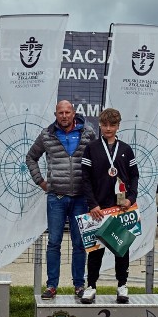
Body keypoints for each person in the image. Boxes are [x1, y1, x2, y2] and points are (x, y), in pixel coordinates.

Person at [26, 100, 96, 299]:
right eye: (60, 113)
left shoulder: (88, 133)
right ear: (55, 114)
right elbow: (31, 157)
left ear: (74, 113)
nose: (64, 116)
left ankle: (79, 286)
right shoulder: (47, 135)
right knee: (54, 242)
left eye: (67, 112)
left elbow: (98, 158)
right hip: (56, 197)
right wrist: (40, 181)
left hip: (81, 198)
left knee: (79, 243)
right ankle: (51, 286)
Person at [80, 108, 139, 304]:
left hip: (121, 208)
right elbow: (85, 179)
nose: (108, 128)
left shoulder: (126, 149)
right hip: (99, 209)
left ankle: (122, 285)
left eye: (112, 125)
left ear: (118, 126)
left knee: (121, 248)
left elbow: (134, 176)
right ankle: (91, 286)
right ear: (99, 124)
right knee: (95, 250)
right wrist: (92, 204)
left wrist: (131, 198)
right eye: (105, 125)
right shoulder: (92, 148)